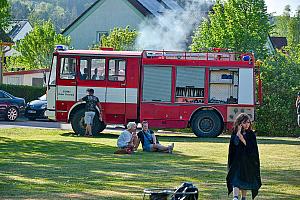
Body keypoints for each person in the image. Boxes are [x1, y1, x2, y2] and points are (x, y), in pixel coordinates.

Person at [226, 113, 261, 200]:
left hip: (248, 161)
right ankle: (235, 197)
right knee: (235, 179)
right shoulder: (235, 133)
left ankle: (243, 197)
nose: (247, 125)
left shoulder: (251, 134)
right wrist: (238, 133)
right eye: (245, 123)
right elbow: (234, 144)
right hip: (237, 161)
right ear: (240, 123)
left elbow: (251, 148)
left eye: (248, 122)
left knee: (244, 180)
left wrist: (242, 138)